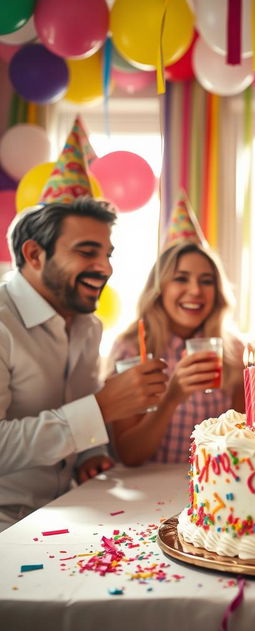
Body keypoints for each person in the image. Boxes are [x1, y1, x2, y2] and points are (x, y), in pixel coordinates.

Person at [0, 198, 167, 531]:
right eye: (87, 252)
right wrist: (100, 409)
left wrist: (91, 455)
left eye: (107, 254)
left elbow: (76, 408)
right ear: (34, 255)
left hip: (66, 510)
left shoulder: (88, 327)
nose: (105, 268)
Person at [108, 199, 245, 466]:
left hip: (216, 491)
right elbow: (129, 455)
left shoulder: (234, 351)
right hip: (149, 493)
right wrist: (172, 397)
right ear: (159, 288)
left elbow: (244, 439)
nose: (195, 291)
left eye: (206, 281)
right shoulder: (132, 349)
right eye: (181, 278)